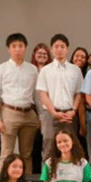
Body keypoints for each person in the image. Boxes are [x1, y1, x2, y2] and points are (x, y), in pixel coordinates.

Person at [0, 32, 42, 172]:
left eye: (20, 46)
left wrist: (41, 117)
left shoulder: (32, 69)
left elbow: (37, 95)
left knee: (27, 155)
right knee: (6, 153)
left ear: (25, 48)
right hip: (9, 113)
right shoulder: (1, 69)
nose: (17, 49)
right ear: (8, 48)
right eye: (14, 46)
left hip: (29, 113)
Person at [36, 33, 84, 163]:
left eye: (62, 46)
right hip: (50, 114)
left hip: (69, 115)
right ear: (51, 49)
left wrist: (73, 110)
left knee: (71, 147)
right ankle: (48, 181)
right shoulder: (45, 70)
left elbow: (78, 94)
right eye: (56, 46)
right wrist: (53, 112)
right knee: (48, 147)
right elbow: (43, 94)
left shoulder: (75, 70)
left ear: (67, 49)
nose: (59, 49)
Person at [29, 44, 52, 175]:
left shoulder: (50, 71)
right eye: (39, 53)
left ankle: (46, 175)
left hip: (47, 114)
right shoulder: (31, 71)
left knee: (47, 148)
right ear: (34, 55)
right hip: (33, 114)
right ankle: (35, 176)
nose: (42, 56)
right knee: (35, 148)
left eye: (45, 54)